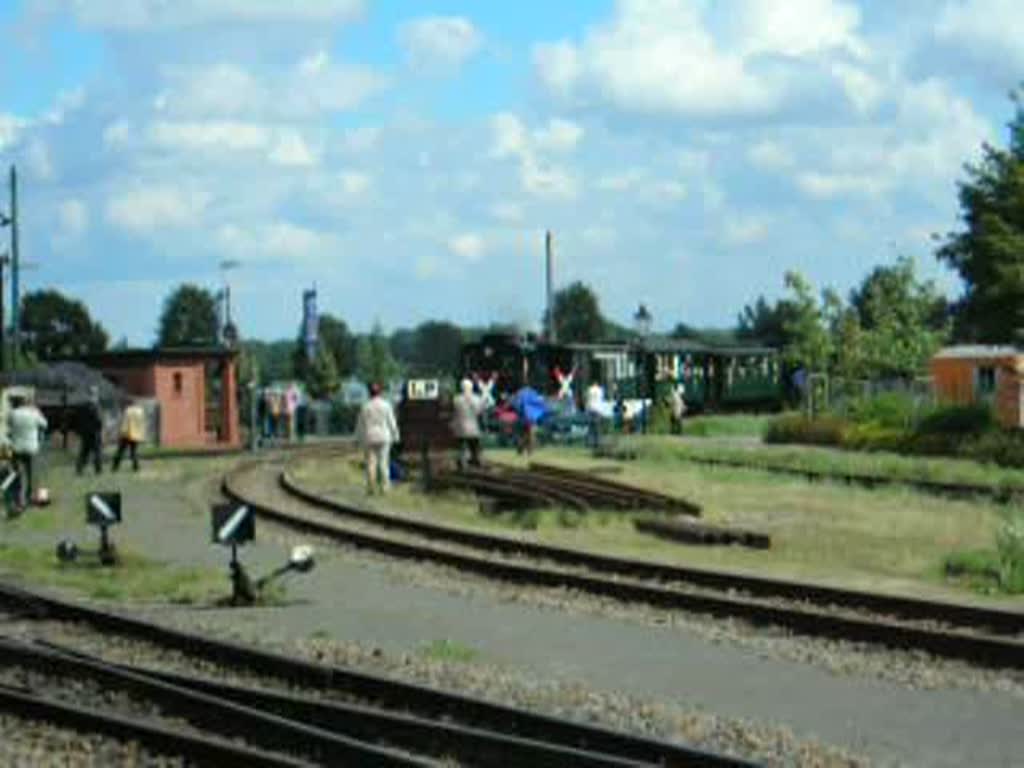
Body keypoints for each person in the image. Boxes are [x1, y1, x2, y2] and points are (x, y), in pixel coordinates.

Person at [355, 382, 400, 494]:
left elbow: (360, 424)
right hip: (384, 437)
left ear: (369, 393)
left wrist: (358, 438)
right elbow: (391, 422)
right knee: (383, 463)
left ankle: (371, 488)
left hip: (369, 437)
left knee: (371, 464)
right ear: (380, 392)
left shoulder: (365, 406)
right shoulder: (386, 405)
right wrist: (396, 435)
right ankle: (385, 487)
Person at [8, 394, 48, 512]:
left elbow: (10, 425)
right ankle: (30, 497)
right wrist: (38, 413)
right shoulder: (34, 413)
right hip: (31, 448)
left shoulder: (13, 413)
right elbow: (45, 424)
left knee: (17, 474)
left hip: (17, 448)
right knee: (32, 474)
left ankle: (18, 498)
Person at [451, 378, 485, 470]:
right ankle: (477, 462)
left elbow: (454, 412)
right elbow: (479, 412)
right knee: (475, 447)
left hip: (460, 427)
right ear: (471, 387)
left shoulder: (456, 399)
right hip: (473, 427)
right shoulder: (477, 398)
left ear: (462, 388)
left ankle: (462, 463)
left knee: (461, 447)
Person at [75, 387, 104, 476]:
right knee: (97, 452)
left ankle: (79, 468)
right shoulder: (96, 406)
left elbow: (79, 419)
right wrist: (100, 428)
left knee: (84, 451)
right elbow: (98, 419)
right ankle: (98, 469)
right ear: (95, 394)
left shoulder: (83, 406)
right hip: (94, 432)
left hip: (85, 432)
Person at [112, 398, 145, 472]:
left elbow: (125, 423)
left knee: (120, 451)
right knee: (133, 452)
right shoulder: (140, 412)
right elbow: (142, 424)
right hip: (136, 434)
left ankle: (115, 467)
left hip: (127, 434)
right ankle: (136, 467)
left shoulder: (128, 411)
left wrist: (121, 433)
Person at [585, 380, 604, 449]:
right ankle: (597, 443)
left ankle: (589, 443)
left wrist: (587, 409)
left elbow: (587, 399)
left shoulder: (589, 390)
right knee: (598, 428)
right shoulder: (600, 390)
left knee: (591, 428)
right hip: (598, 410)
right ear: (597, 384)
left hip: (591, 409)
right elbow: (601, 400)